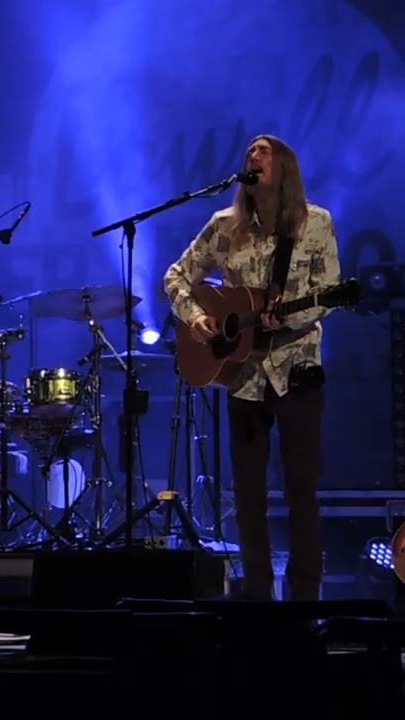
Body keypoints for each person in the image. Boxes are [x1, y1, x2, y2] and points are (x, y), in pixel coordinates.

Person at [162, 135, 340, 601]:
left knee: (301, 491)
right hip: (241, 376)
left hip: (296, 368)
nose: (252, 156)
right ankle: (258, 596)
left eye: (264, 151)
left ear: (283, 166)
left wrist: (293, 315)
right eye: (249, 152)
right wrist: (196, 317)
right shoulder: (224, 226)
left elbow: (330, 291)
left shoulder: (315, 222)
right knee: (247, 497)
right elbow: (176, 275)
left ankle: (304, 598)